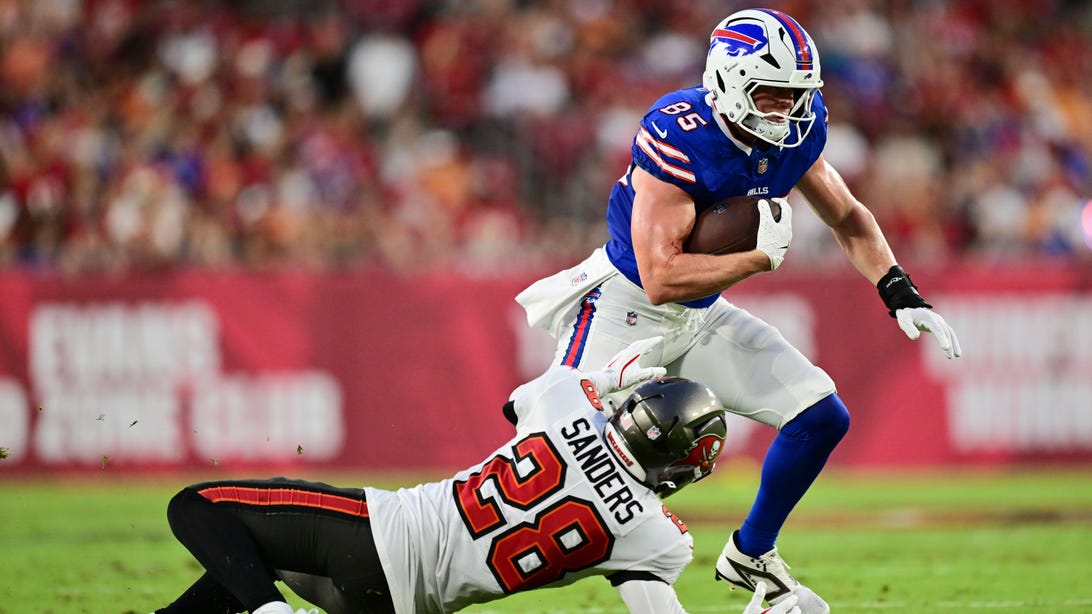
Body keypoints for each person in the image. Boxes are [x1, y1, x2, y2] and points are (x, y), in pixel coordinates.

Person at [514, 7, 962, 613]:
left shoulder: (797, 132)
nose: (785, 112)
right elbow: (659, 277)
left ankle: (751, 553)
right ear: (726, 82)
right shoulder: (680, 132)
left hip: (699, 313)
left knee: (820, 416)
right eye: (771, 95)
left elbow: (848, 215)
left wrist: (897, 288)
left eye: (795, 96)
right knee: (578, 475)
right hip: (623, 311)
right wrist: (756, 259)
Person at [154, 338, 802, 614]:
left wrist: (601, 379)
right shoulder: (657, 539)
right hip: (405, 607)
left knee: (200, 507)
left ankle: (268, 611)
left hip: (378, 538)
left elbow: (518, 401)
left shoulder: (563, 405)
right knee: (244, 561)